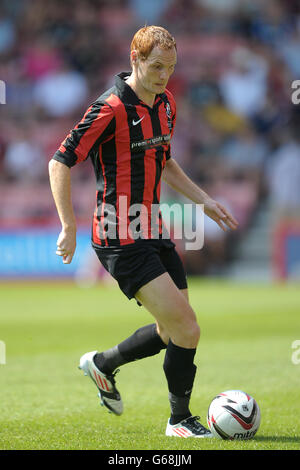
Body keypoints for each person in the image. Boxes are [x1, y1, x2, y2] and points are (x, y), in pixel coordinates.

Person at [48, 25, 238, 438]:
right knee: (188, 328)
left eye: (170, 67)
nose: (164, 75)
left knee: (173, 331)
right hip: (118, 233)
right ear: (134, 59)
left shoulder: (166, 103)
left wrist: (202, 199)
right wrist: (68, 224)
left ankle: (103, 364)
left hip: (152, 227)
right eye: (156, 66)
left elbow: (164, 159)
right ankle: (179, 421)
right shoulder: (110, 108)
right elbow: (59, 162)